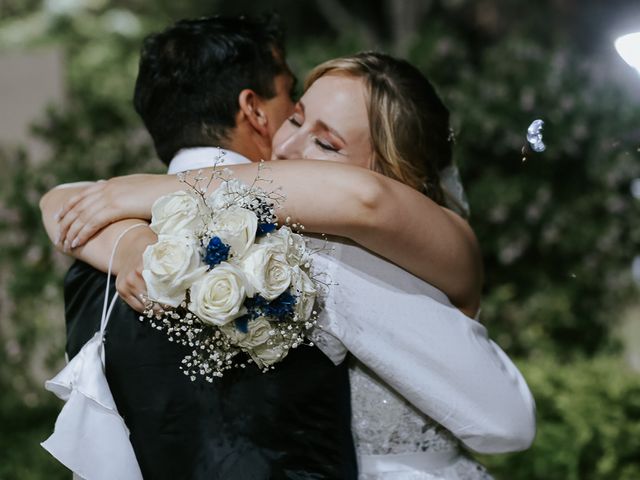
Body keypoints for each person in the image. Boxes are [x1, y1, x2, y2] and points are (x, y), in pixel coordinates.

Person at [40, 16, 535, 480]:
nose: (289, 149)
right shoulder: (288, 242)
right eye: (295, 115)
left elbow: (506, 418)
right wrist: (131, 242)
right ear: (253, 109)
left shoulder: (104, 220)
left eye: (328, 144)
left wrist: (131, 222)